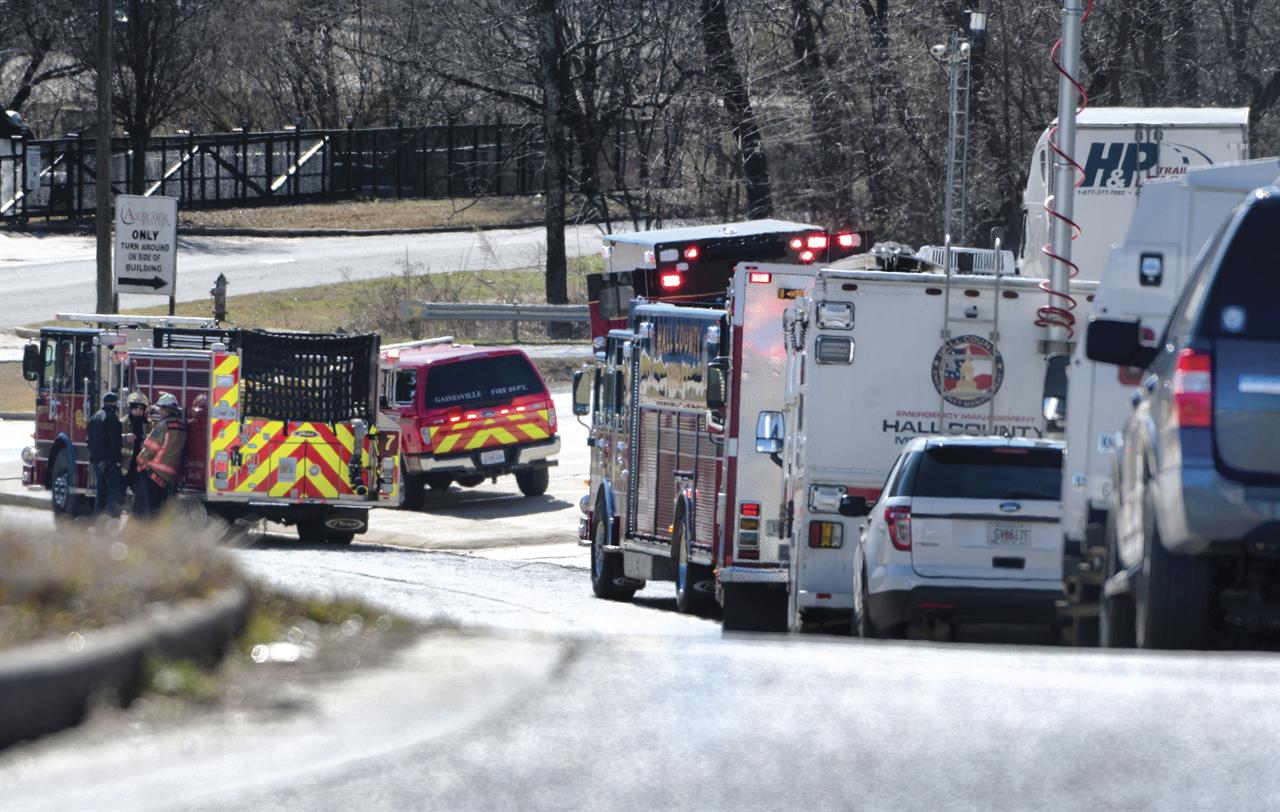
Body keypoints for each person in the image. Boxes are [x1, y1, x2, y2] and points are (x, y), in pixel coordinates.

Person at [135, 392, 188, 517]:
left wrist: (139, 462)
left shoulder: (163, 426)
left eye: (161, 409)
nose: (159, 412)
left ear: (166, 410)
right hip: (169, 477)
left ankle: (143, 531)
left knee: (147, 508)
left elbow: (149, 450)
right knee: (160, 510)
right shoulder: (182, 427)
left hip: (154, 474)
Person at [86, 391, 125, 517]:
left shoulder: (94, 417)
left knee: (101, 492)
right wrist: (119, 460)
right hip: (110, 462)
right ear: (115, 403)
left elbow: (89, 440)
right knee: (113, 492)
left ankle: (99, 519)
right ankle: (110, 518)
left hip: (97, 462)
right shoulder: (112, 418)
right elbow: (115, 441)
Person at [123, 391, 151, 515]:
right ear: (130, 408)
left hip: (139, 468)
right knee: (116, 498)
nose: (139, 411)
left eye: (141, 409)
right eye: (136, 408)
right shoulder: (122, 423)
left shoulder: (149, 424)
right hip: (124, 467)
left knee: (142, 495)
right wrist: (124, 437)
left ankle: (135, 522)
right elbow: (112, 440)